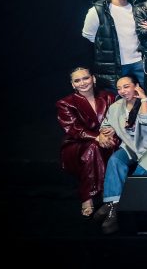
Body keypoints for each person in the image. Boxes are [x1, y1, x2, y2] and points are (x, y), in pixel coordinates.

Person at [95, 74, 147, 234]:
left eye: (126, 86)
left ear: (136, 86)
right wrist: (103, 134)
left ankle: (122, 210)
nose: (122, 91)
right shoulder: (116, 107)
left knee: (138, 176)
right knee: (115, 160)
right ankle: (114, 205)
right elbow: (106, 124)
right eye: (119, 88)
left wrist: (143, 99)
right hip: (131, 146)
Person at [56, 67, 118, 217]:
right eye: (77, 80)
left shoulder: (109, 97)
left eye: (85, 78)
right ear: (73, 84)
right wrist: (97, 137)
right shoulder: (65, 103)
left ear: (93, 79)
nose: (82, 83)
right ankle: (89, 196)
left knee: (101, 147)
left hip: (108, 137)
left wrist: (114, 129)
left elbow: (119, 117)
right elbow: (74, 128)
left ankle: (98, 195)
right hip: (77, 142)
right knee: (93, 147)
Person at [82, 0, 143, 87]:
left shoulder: (137, 8)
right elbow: (88, 36)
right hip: (114, 66)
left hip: (138, 62)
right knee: (117, 96)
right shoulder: (97, 10)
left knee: (143, 94)